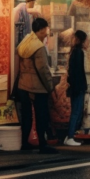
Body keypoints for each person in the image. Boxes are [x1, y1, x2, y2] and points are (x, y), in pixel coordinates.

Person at [17, 17, 57, 154]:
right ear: (40, 30)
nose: (47, 32)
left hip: (23, 86)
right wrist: (50, 86)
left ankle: (24, 143)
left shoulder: (25, 42)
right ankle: (42, 144)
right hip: (37, 88)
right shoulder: (38, 47)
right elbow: (43, 69)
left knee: (27, 116)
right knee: (41, 116)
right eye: (45, 29)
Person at [64, 30, 88, 146]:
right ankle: (70, 137)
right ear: (82, 40)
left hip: (74, 87)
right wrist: (82, 86)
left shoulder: (73, 51)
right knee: (76, 112)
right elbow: (79, 72)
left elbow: (72, 72)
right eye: (86, 40)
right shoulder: (79, 52)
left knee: (75, 112)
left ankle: (69, 136)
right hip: (78, 87)